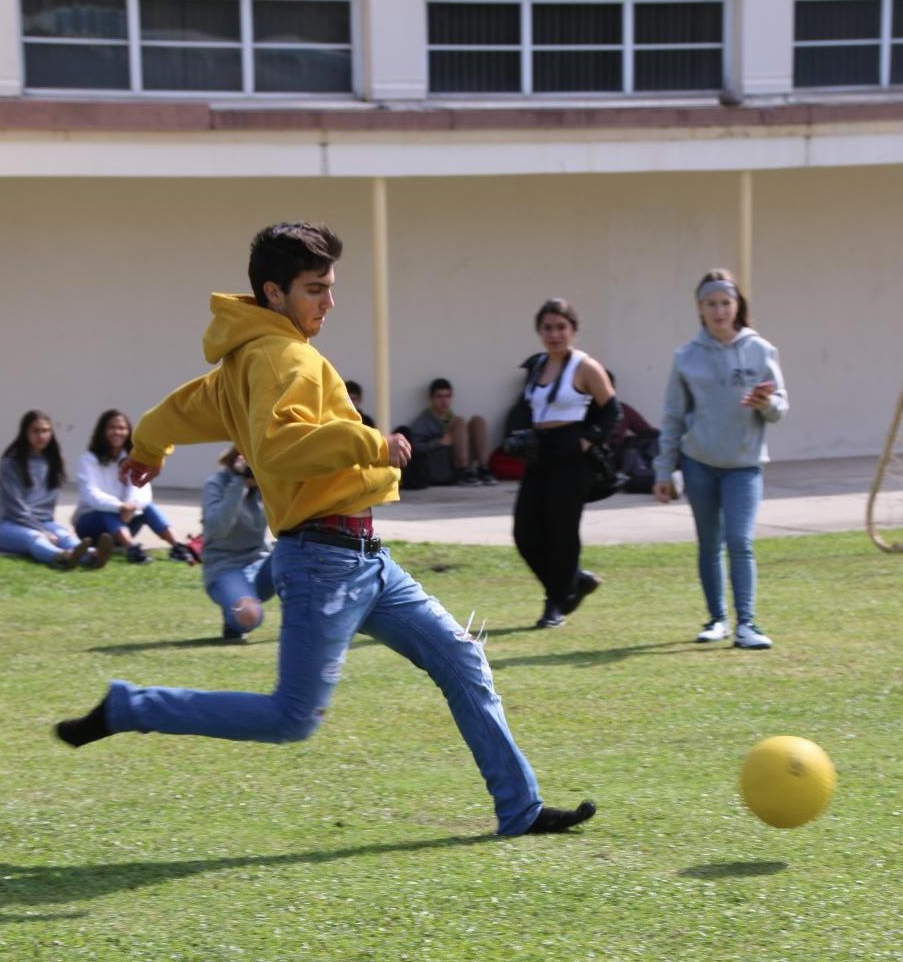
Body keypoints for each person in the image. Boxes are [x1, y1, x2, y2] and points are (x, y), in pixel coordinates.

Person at [55, 221, 595, 837]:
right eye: (316, 289)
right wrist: (371, 441)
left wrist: (150, 445)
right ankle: (131, 706)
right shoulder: (279, 357)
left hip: (366, 558)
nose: (329, 302)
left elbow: (184, 407)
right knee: (292, 717)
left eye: (331, 287)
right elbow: (279, 446)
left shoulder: (249, 356)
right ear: (273, 292)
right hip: (321, 561)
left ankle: (519, 810)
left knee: (461, 659)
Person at [652, 268, 788, 649]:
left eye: (725, 302)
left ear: (737, 305)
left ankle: (747, 624)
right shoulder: (686, 357)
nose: (719, 310)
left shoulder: (760, 350)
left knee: (739, 540)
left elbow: (780, 406)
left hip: (743, 465)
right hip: (699, 464)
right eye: (710, 303)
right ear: (699, 308)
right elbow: (673, 417)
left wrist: (768, 403)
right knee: (709, 544)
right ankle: (718, 620)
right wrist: (665, 470)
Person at [512, 299, 621, 629]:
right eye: (547, 328)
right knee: (525, 531)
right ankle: (574, 581)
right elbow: (526, 407)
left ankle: (556, 603)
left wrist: (587, 440)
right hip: (540, 454)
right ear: (538, 331)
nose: (554, 334)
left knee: (561, 531)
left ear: (573, 329)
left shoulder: (585, 367)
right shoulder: (537, 366)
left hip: (572, 456)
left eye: (561, 327)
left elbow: (613, 411)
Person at [74, 408, 198, 564]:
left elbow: (142, 489)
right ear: (102, 431)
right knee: (106, 512)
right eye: (111, 427)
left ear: (129, 432)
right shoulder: (88, 460)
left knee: (148, 507)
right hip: (90, 525)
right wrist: (120, 507)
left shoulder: (132, 459)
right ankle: (132, 550)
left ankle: (178, 547)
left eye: (122, 428)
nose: (117, 432)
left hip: (124, 521)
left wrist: (132, 505)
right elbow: (90, 494)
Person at [0, 410, 112, 570]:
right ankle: (61, 557)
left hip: (44, 522)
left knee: (65, 537)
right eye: (35, 431)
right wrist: (42, 531)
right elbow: (15, 507)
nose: (41, 435)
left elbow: (48, 510)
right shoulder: (10, 463)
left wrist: (48, 529)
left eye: (45, 431)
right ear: (25, 433)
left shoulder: (53, 462)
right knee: (35, 538)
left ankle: (93, 555)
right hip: (10, 524)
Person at [201, 444, 275, 643]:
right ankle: (235, 613)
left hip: (261, 565)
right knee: (248, 616)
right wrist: (239, 484)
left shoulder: (268, 485)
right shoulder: (216, 483)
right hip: (225, 567)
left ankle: (309, 624)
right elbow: (217, 530)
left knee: (299, 552)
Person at [404, 378, 496, 487]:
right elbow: (413, 448)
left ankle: (483, 468)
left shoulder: (451, 416)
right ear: (431, 398)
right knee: (459, 421)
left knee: (478, 420)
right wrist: (439, 442)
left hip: (454, 457)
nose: (444, 401)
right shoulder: (423, 421)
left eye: (448, 396)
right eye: (439, 397)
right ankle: (463, 470)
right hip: (441, 466)